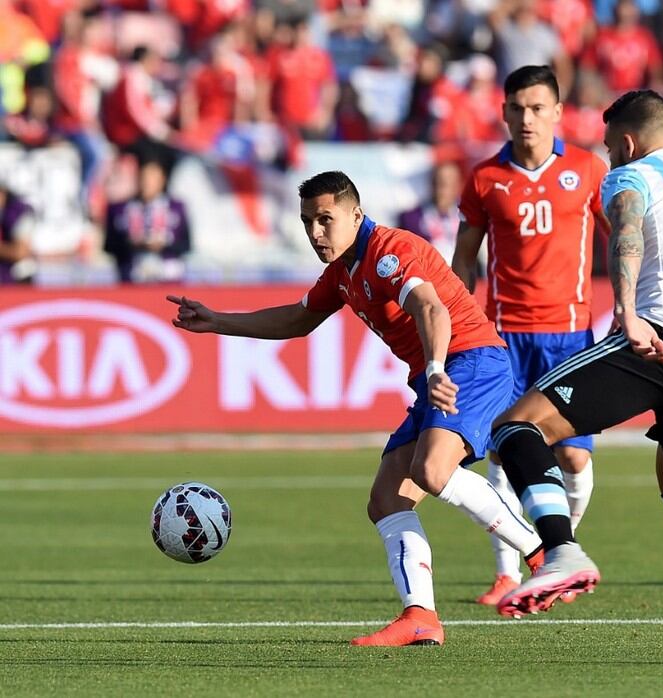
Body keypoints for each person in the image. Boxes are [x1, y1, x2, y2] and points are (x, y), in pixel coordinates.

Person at [167, 170, 544, 647]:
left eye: (326, 219)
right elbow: (298, 319)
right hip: (437, 374)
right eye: (308, 222)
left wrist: (432, 369)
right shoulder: (343, 271)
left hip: (470, 363)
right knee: (386, 499)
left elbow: (431, 309)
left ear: (356, 215)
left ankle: (541, 550)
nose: (315, 232)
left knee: (432, 470)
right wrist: (217, 320)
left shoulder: (389, 253)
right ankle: (420, 617)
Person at [489, 90, 663, 667]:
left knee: (516, 427)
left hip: (662, 337)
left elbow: (626, 233)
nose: (608, 156)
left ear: (626, 141)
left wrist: (625, 310)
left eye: (609, 146)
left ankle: (562, 550)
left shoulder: (630, 176)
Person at [452, 65, 608, 605]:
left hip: (569, 337)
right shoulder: (484, 179)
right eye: (517, 108)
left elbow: (624, 237)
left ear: (558, 112)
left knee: (574, 460)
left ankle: (562, 548)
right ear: (503, 112)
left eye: (538, 108)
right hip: (505, 337)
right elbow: (464, 261)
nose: (527, 118)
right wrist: (460, 325)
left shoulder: (589, 170)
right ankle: (508, 573)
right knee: (501, 454)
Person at [105, 159, 191, 283]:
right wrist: (132, 244)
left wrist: (164, 245)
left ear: (162, 180)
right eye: (144, 178)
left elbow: (186, 245)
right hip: (132, 276)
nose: (147, 183)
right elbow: (109, 246)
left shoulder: (177, 208)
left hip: (169, 278)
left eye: (152, 179)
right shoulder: (119, 209)